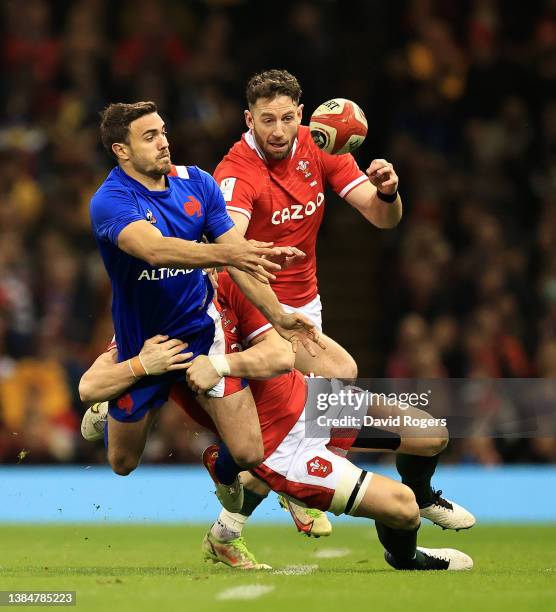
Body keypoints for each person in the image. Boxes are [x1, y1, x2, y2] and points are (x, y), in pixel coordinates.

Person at [80, 271, 474, 571]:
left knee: (433, 434)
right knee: (402, 509)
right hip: (282, 450)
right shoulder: (155, 328)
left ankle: (423, 494)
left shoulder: (232, 286)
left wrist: (219, 364)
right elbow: (91, 383)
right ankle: (406, 558)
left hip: (312, 401)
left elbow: (281, 356)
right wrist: (138, 367)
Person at [211, 69, 448, 538]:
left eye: (284, 118)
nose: (276, 130)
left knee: (304, 416)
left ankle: (230, 517)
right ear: (248, 119)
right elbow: (229, 252)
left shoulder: (321, 146)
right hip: (254, 305)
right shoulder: (236, 172)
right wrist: (273, 308)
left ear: (300, 114)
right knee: (340, 373)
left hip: (306, 304)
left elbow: (382, 219)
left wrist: (388, 190)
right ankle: (290, 484)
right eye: (265, 120)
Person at [89, 100, 320, 509]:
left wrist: (278, 315)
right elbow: (156, 251)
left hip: (201, 331)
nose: (163, 142)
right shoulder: (110, 201)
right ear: (121, 151)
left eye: (162, 131)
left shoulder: (197, 182)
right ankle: (113, 405)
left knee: (249, 451)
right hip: (145, 344)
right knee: (122, 462)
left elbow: (242, 262)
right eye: (149, 137)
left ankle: (224, 470)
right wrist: (229, 254)